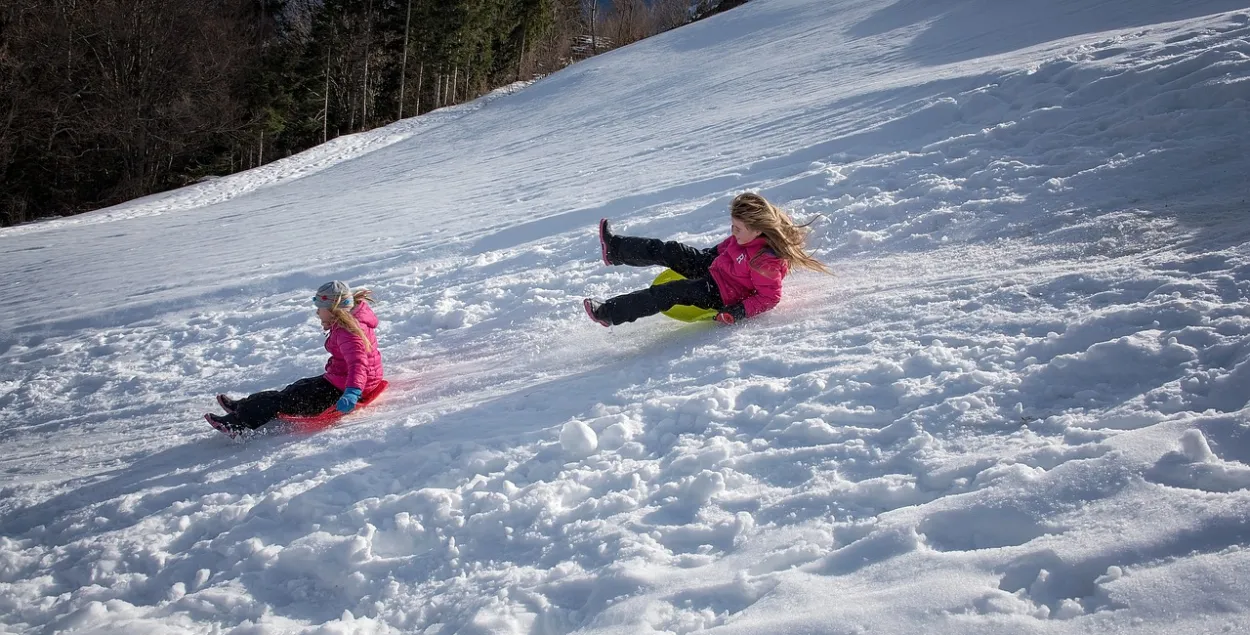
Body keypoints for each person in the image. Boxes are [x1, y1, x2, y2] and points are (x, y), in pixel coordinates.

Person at [584, 192, 828, 327]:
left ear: (758, 230)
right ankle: (615, 250)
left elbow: (769, 297)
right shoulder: (743, 238)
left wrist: (739, 312)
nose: (733, 231)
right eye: (732, 225)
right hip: (714, 265)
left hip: (720, 293)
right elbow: (727, 248)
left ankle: (608, 313)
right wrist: (707, 255)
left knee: (668, 292)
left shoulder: (765, 262)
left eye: (738, 228)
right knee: (670, 250)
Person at [205, 281, 385, 438]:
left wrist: (352, 392)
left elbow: (358, 364)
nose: (317, 313)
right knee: (294, 389)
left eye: (319, 309)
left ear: (332, 310)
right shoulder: (350, 323)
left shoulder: (348, 332)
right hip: (341, 380)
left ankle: (238, 424)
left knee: (284, 401)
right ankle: (243, 406)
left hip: (346, 388)